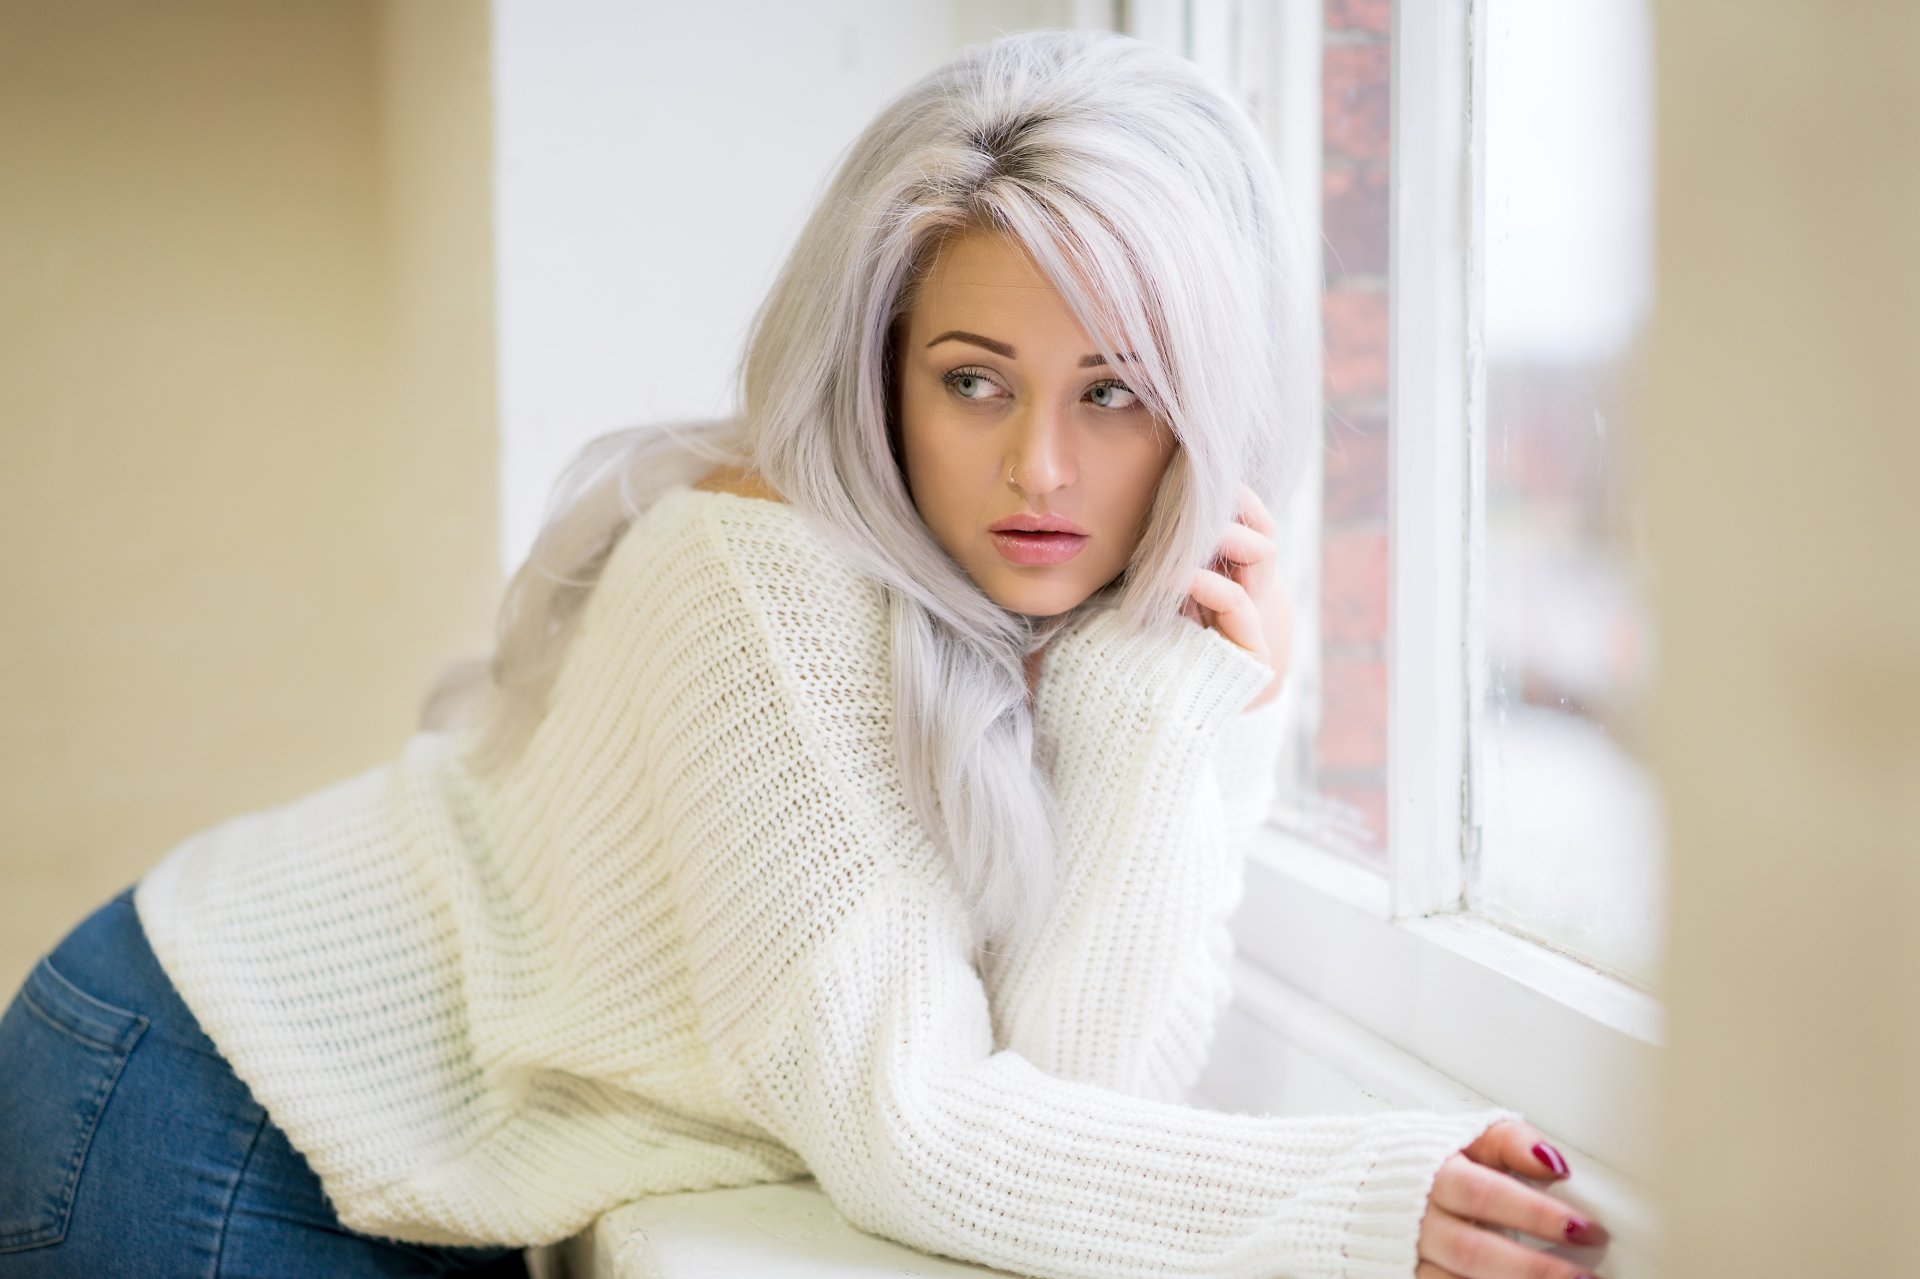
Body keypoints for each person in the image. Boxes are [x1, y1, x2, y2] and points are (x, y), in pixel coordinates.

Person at [0, 28, 1611, 1279]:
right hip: (201, 1094)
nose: (1041, 469)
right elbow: (922, 1139)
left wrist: (1167, 701)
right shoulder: (759, 572)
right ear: (880, 370)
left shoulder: (1076, 625)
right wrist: (1363, 1199)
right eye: (975, 381)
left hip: (354, 1141)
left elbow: (1078, 1082)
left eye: (1114, 393)